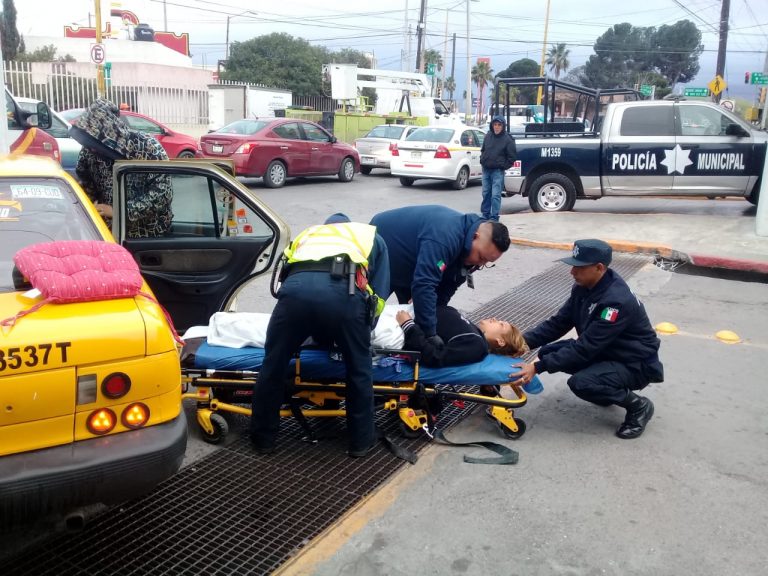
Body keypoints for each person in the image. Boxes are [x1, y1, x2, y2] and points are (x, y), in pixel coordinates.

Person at [250, 213, 389, 458]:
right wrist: (363, 333)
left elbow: (286, 277)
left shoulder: (309, 234)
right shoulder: (367, 235)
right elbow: (379, 291)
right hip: (344, 297)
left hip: (294, 295)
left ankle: (263, 439)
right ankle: (360, 442)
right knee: (359, 368)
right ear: (348, 224)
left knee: (273, 364)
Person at [511, 239, 664, 439]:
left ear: (599, 267)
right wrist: (520, 343)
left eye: (579, 267)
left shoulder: (615, 302)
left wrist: (536, 367)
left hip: (634, 363)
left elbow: (585, 348)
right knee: (548, 352)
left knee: (581, 383)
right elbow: (559, 323)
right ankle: (606, 387)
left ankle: (639, 406)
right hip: (607, 351)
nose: (572, 272)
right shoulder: (585, 286)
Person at [370, 205, 510, 353]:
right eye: (481, 257)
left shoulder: (470, 252)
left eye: (487, 262)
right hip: (384, 244)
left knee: (412, 317)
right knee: (370, 311)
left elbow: (447, 287)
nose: (480, 264)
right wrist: (430, 334)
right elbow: (424, 284)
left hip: (414, 262)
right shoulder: (445, 237)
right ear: (475, 236)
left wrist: (436, 317)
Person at [70, 98, 172, 238]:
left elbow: (162, 194)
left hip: (147, 235)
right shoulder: (89, 151)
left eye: (93, 143)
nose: (91, 149)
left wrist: (118, 211)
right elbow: (86, 185)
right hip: (108, 232)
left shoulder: (147, 146)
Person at [395, 306, 527, 367]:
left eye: (501, 324)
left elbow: (435, 357)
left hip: (401, 326)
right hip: (411, 314)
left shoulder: (476, 346)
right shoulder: (474, 334)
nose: (494, 318)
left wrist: (408, 326)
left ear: (500, 341)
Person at [479, 115, 517, 221]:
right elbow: (483, 150)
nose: (496, 127)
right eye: (495, 124)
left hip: (497, 172)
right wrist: (482, 159)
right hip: (486, 170)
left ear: (503, 126)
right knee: (485, 193)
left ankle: (494, 217)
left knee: (495, 195)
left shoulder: (508, 139)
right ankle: (485, 214)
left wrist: (502, 167)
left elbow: (512, 157)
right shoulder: (488, 135)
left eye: (499, 125)